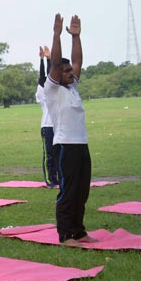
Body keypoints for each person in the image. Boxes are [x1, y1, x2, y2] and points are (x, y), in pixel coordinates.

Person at [44, 14, 95, 247]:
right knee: (68, 191)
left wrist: (76, 37)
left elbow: (78, 62)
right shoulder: (53, 89)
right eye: (66, 72)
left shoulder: (72, 86)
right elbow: (56, 63)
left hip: (81, 144)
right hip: (65, 145)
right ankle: (65, 235)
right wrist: (57, 36)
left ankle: (79, 230)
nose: (70, 73)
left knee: (82, 190)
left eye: (70, 72)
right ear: (57, 73)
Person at [36, 45, 59, 188]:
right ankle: (50, 179)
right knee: (49, 155)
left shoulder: (56, 94)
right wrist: (43, 60)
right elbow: (44, 77)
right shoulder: (42, 97)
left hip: (59, 127)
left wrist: (50, 58)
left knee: (58, 155)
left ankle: (57, 178)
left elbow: (52, 76)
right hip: (47, 128)